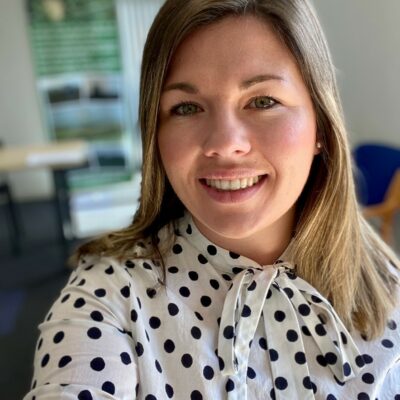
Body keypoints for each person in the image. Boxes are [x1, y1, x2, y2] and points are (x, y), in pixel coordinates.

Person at [24, 0, 400, 399]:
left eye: (262, 101)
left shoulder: (387, 281)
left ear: (320, 126)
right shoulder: (109, 297)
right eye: (186, 107)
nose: (224, 142)